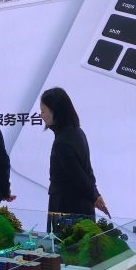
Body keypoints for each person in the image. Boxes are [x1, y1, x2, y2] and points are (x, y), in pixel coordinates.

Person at [39, 87, 110, 229]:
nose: (41, 115)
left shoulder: (63, 142)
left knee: (64, 243)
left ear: (55, 111)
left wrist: (95, 195)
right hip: (81, 206)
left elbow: (78, 176)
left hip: (67, 209)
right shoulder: (77, 132)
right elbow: (87, 171)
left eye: (43, 110)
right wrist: (95, 194)